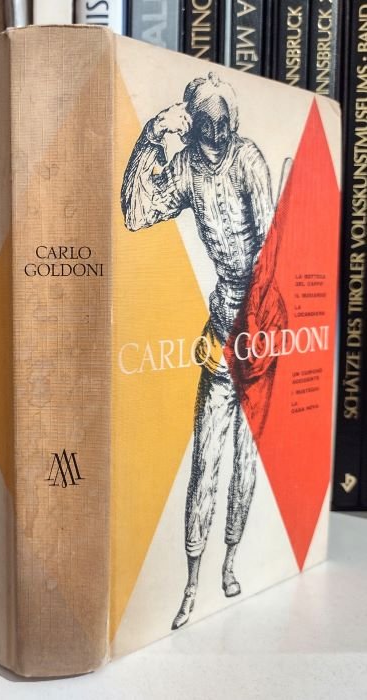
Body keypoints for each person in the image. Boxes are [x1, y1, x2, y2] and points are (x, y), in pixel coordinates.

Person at [121, 72, 286, 630]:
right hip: (223, 317)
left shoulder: (248, 159)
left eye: (222, 123)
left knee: (245, 453)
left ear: (231, 123)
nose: (214, 135)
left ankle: (232, 562)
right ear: (191, 124)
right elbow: (136, 213)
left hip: (262, 319)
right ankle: (192, 582)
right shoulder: (187, 164)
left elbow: (269, 251)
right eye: (204, 123)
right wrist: (150, 136)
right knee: (206, 454)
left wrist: (249, 330)